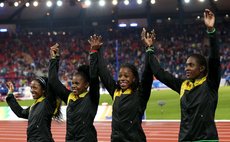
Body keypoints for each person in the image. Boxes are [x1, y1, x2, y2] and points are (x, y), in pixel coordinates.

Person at [142, 9, 220, 141]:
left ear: (201, 68)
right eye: (186, 65)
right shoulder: (183, 85)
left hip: (206, 139)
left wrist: (211, 31)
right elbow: (160, 73)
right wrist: (149, 49)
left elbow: (214, 59)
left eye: (191, 65)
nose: (186, 68)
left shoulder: (210, 83)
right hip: (185, 139)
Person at [88, 34, 153, 142]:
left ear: (134, 79)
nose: (122, 79)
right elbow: (103, 72)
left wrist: (149, 49)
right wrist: (96, 51)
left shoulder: (140, 93)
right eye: (120, 76)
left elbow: (147, 73)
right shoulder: (116, 91)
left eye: (126, 76)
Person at [49, 43, 100, 142]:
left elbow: (94, 77)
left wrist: (93, 53)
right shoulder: (69, 96)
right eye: (72, 83)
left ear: (86, 85)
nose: (73, 86)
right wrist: (54, 58)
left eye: (77, 83)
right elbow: (52, 80)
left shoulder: (92, 97)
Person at [6, 76, 62, 142]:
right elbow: (20, 113)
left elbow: (52, 79)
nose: (32, 90)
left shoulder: (48, 103)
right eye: (31, 88)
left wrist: (53, 65)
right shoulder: (33, 106)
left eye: (35, 88)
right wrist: (10, 94)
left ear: (44, 90)